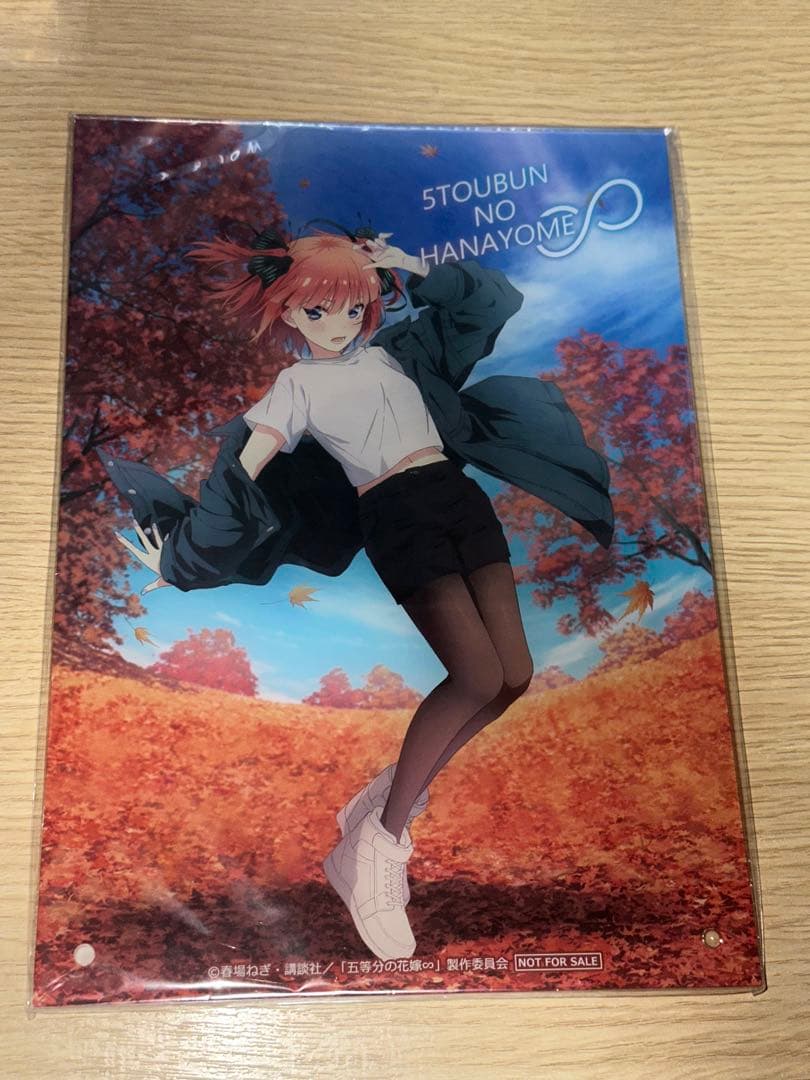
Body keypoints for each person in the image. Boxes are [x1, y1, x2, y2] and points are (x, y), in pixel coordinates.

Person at [108, 222, 613, 962]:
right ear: (287, 310)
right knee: (475, 675)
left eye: (352, 306)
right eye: (318, 310)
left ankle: (384, 803)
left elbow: (492, 303)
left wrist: (408, 260)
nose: (338, 323)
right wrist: (186, 558)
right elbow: (241, 473)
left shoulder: (402, 353)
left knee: (513, 674)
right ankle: (376, 844)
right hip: (396, 516)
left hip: (459, 501)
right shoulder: (296, 386)